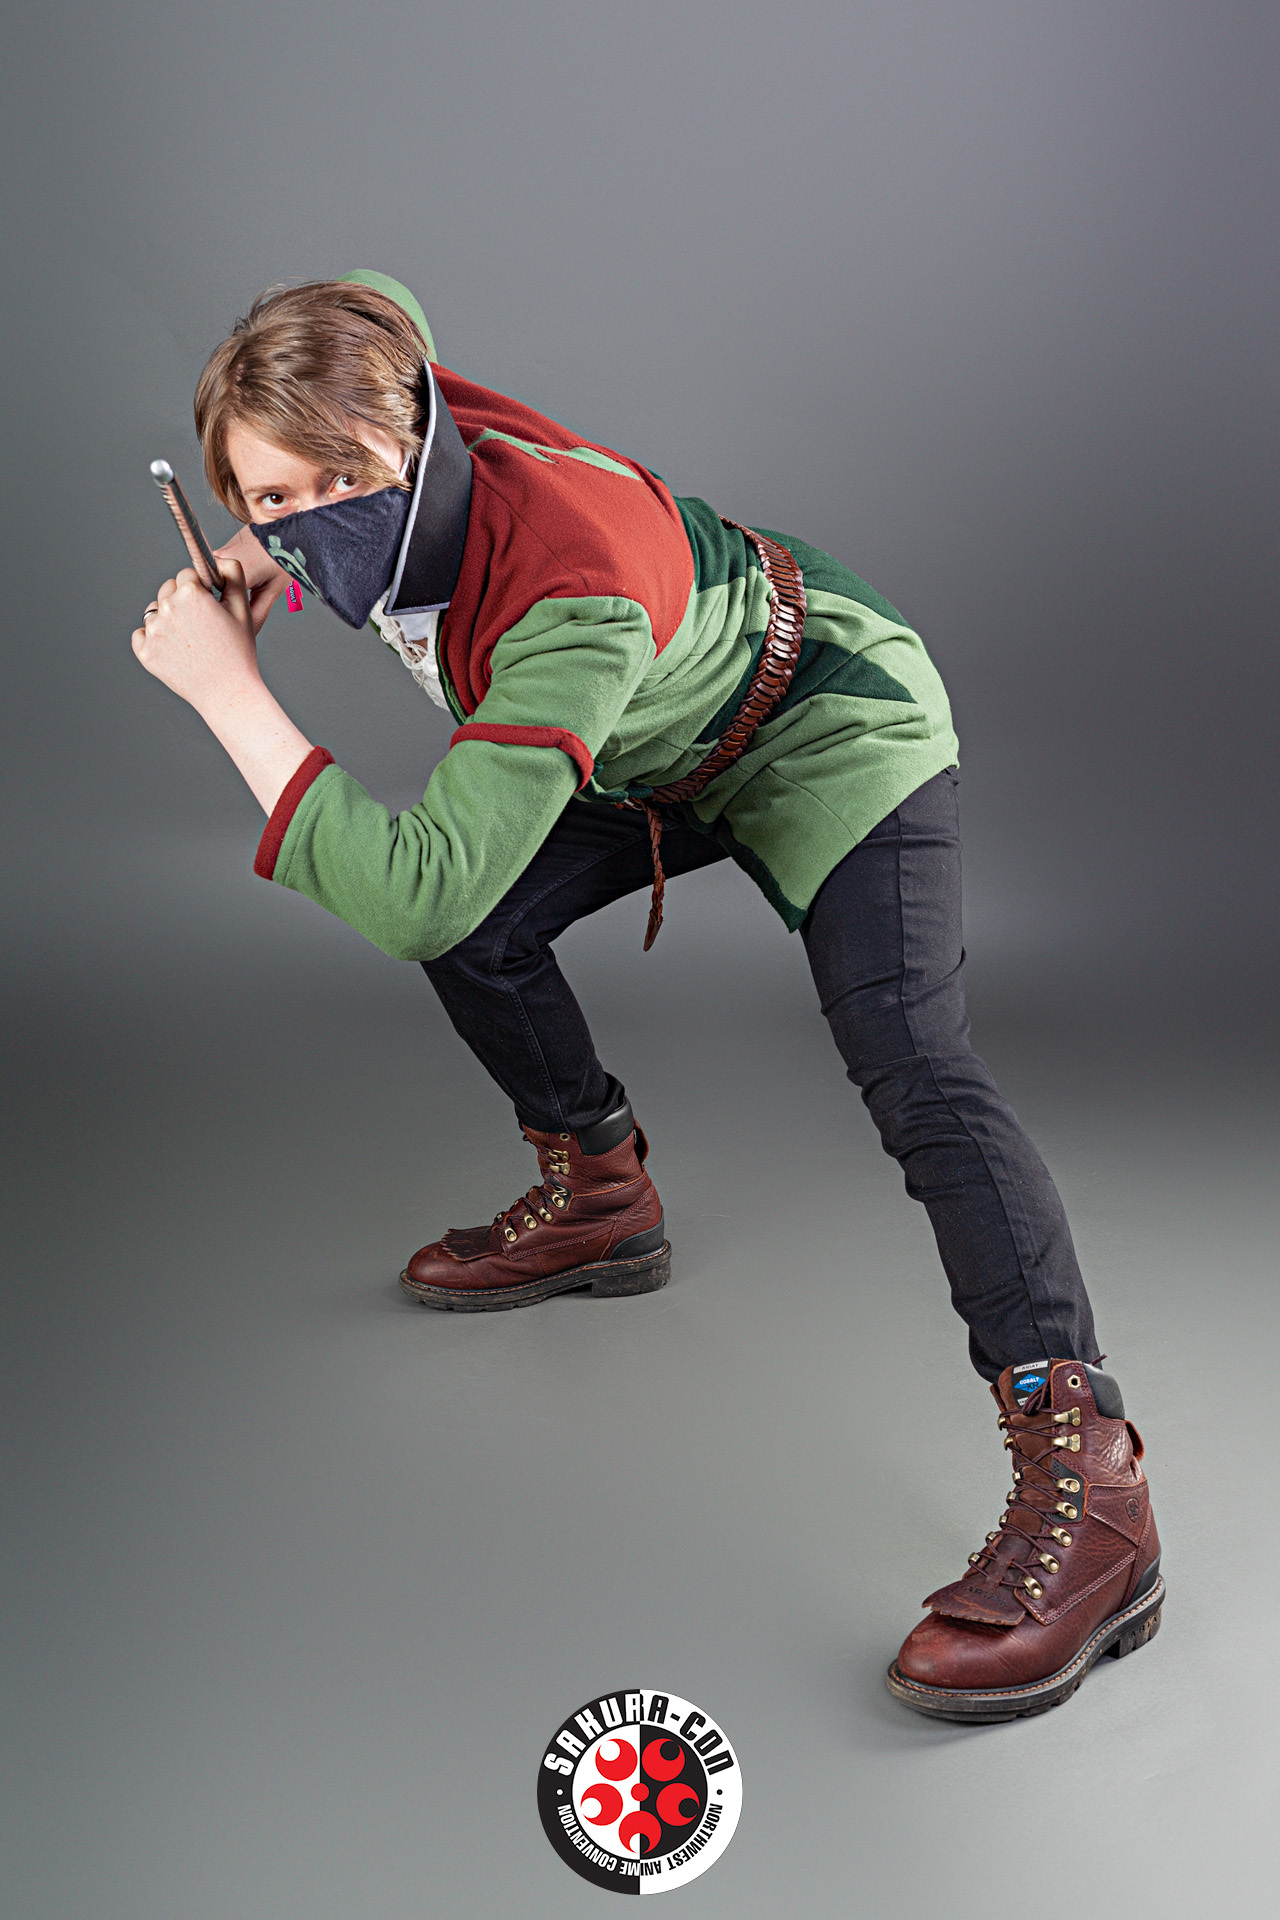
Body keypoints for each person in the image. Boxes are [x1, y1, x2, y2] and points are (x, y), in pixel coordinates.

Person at [133, 271, 1163, 1721]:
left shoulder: (571, 586)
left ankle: (1095, 1491)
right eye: (270, 494)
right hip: (650, 744)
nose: (313, 519)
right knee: (484, 926)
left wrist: (229, 690)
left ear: (417, 429)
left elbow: (416, 888)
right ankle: (602, 1194)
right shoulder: (389, 379)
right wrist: (266, 537)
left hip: (824, 717)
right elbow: (369, 296)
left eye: (343, 480)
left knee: (915, 1064)